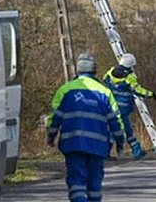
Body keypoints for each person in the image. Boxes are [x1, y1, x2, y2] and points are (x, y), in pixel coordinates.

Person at [46, 52, 124, 202]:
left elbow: (55, 117)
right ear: (94, 71)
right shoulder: (105, 92)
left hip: (73, 144)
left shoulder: (66, 90)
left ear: (78, 70)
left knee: (76, 181)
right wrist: (120, 141)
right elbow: (115, 120)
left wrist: (51, 135)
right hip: (98, 146)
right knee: (94, 183)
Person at [103, 53, 156, 160]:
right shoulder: (129, 77)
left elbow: (105, 80)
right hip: (124, 107)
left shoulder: (110, 73)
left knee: (120, 128)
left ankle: (136, 150)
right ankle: (133, 151)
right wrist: (151, 94)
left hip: (111, 105)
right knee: (120, 129)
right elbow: (137, 90)